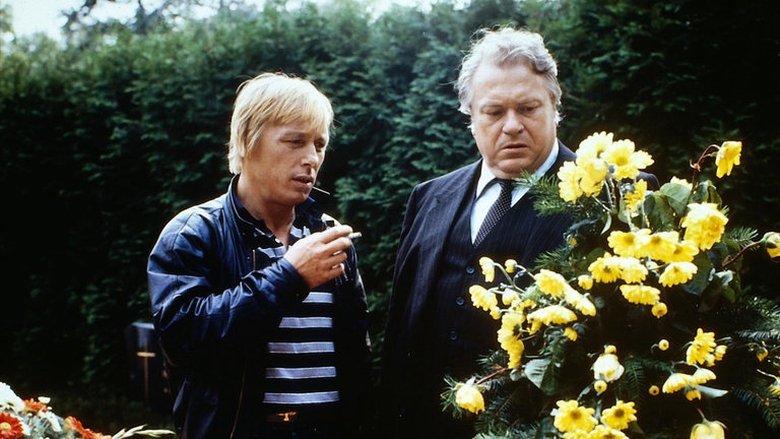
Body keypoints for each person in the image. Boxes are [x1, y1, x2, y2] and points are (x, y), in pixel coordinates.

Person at [380, 27, 656, 438]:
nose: (511, 126)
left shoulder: (616, 196)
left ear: (555, 107)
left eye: (527, 108)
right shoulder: (428, 198)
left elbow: (641, 345)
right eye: (493, 112)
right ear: (471, 118)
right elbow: (400, 335)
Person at [147, 72, 371, 438]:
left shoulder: (328, 234)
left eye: (319, 144)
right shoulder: (194, 232)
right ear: (247, 141)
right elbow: (183, 339)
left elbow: (356, 357)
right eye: (295, 141)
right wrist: (289, 276)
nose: (311, 158)